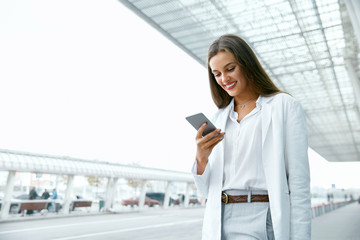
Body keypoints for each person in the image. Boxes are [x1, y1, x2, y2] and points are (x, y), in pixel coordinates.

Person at [192, 34, 311, 240]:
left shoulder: (284, 106)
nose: (224, 79)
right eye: (217, 74)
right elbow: (206, 191)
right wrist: (201, 158)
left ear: (247, 64)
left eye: (230, 69)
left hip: (263, 216)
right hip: (220, 219)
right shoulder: (218, 119)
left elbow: (299, 184)